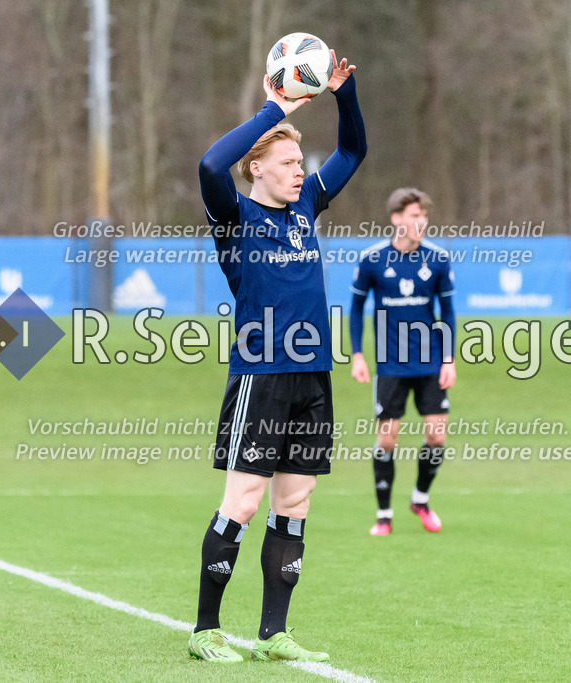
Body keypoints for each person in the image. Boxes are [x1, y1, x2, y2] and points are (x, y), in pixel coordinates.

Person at [189, 51, 366, 663]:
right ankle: (206, 630)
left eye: (299, 162)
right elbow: (211, 162)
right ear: (256, 167)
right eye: (288, 162)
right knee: (242, 502)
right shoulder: (234, 217)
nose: (299, 171)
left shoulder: (305, 208)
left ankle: (273, 633)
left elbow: (351, 155)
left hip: (312, 379)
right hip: (260, 379)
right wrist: (275, 109)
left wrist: (344, 95)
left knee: (294, 505)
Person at [349, 188, 456, 536]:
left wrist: (449, 358)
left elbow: (448, 311)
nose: (421, 221)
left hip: (430, 362)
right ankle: (384, 515)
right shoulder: (372, 259)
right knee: (387, 441)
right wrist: (358, 356)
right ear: (396, 219)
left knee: (437, 436)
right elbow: (355, 309)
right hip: (390, 365)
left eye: (423, 215)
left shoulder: (438, 259)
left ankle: (421, 499)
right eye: (414, 215)